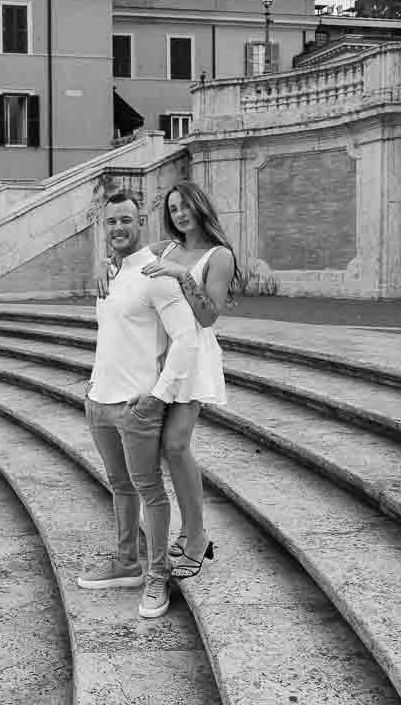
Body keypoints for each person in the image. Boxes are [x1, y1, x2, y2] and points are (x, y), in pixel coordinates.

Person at [94, 181, 243, 580]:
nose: (179, 215)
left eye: (186, 207)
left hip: (195, 357)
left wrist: (182, 275)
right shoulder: (166, 247)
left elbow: (209, 316)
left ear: (200, 207)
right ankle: (190, 531)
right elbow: (126, 255)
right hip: (165, 360)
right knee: (166, 449)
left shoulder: (219, 256)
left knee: (176, 446)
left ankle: (197, 537)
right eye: (173, 209)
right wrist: (103, 267)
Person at [77, 190, 200, 619]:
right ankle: (127, 560)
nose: (118, 228)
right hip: (100, 400)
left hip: (136, 406)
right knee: (120, 486)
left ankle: (156, 573)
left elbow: (186, 338)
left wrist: (158, 395)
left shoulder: (157, 274)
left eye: (126, 220)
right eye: (111, 222)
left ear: (140, 222)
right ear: (103, 226)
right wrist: (93, 387)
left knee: (150, 490)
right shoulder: (109, 275)